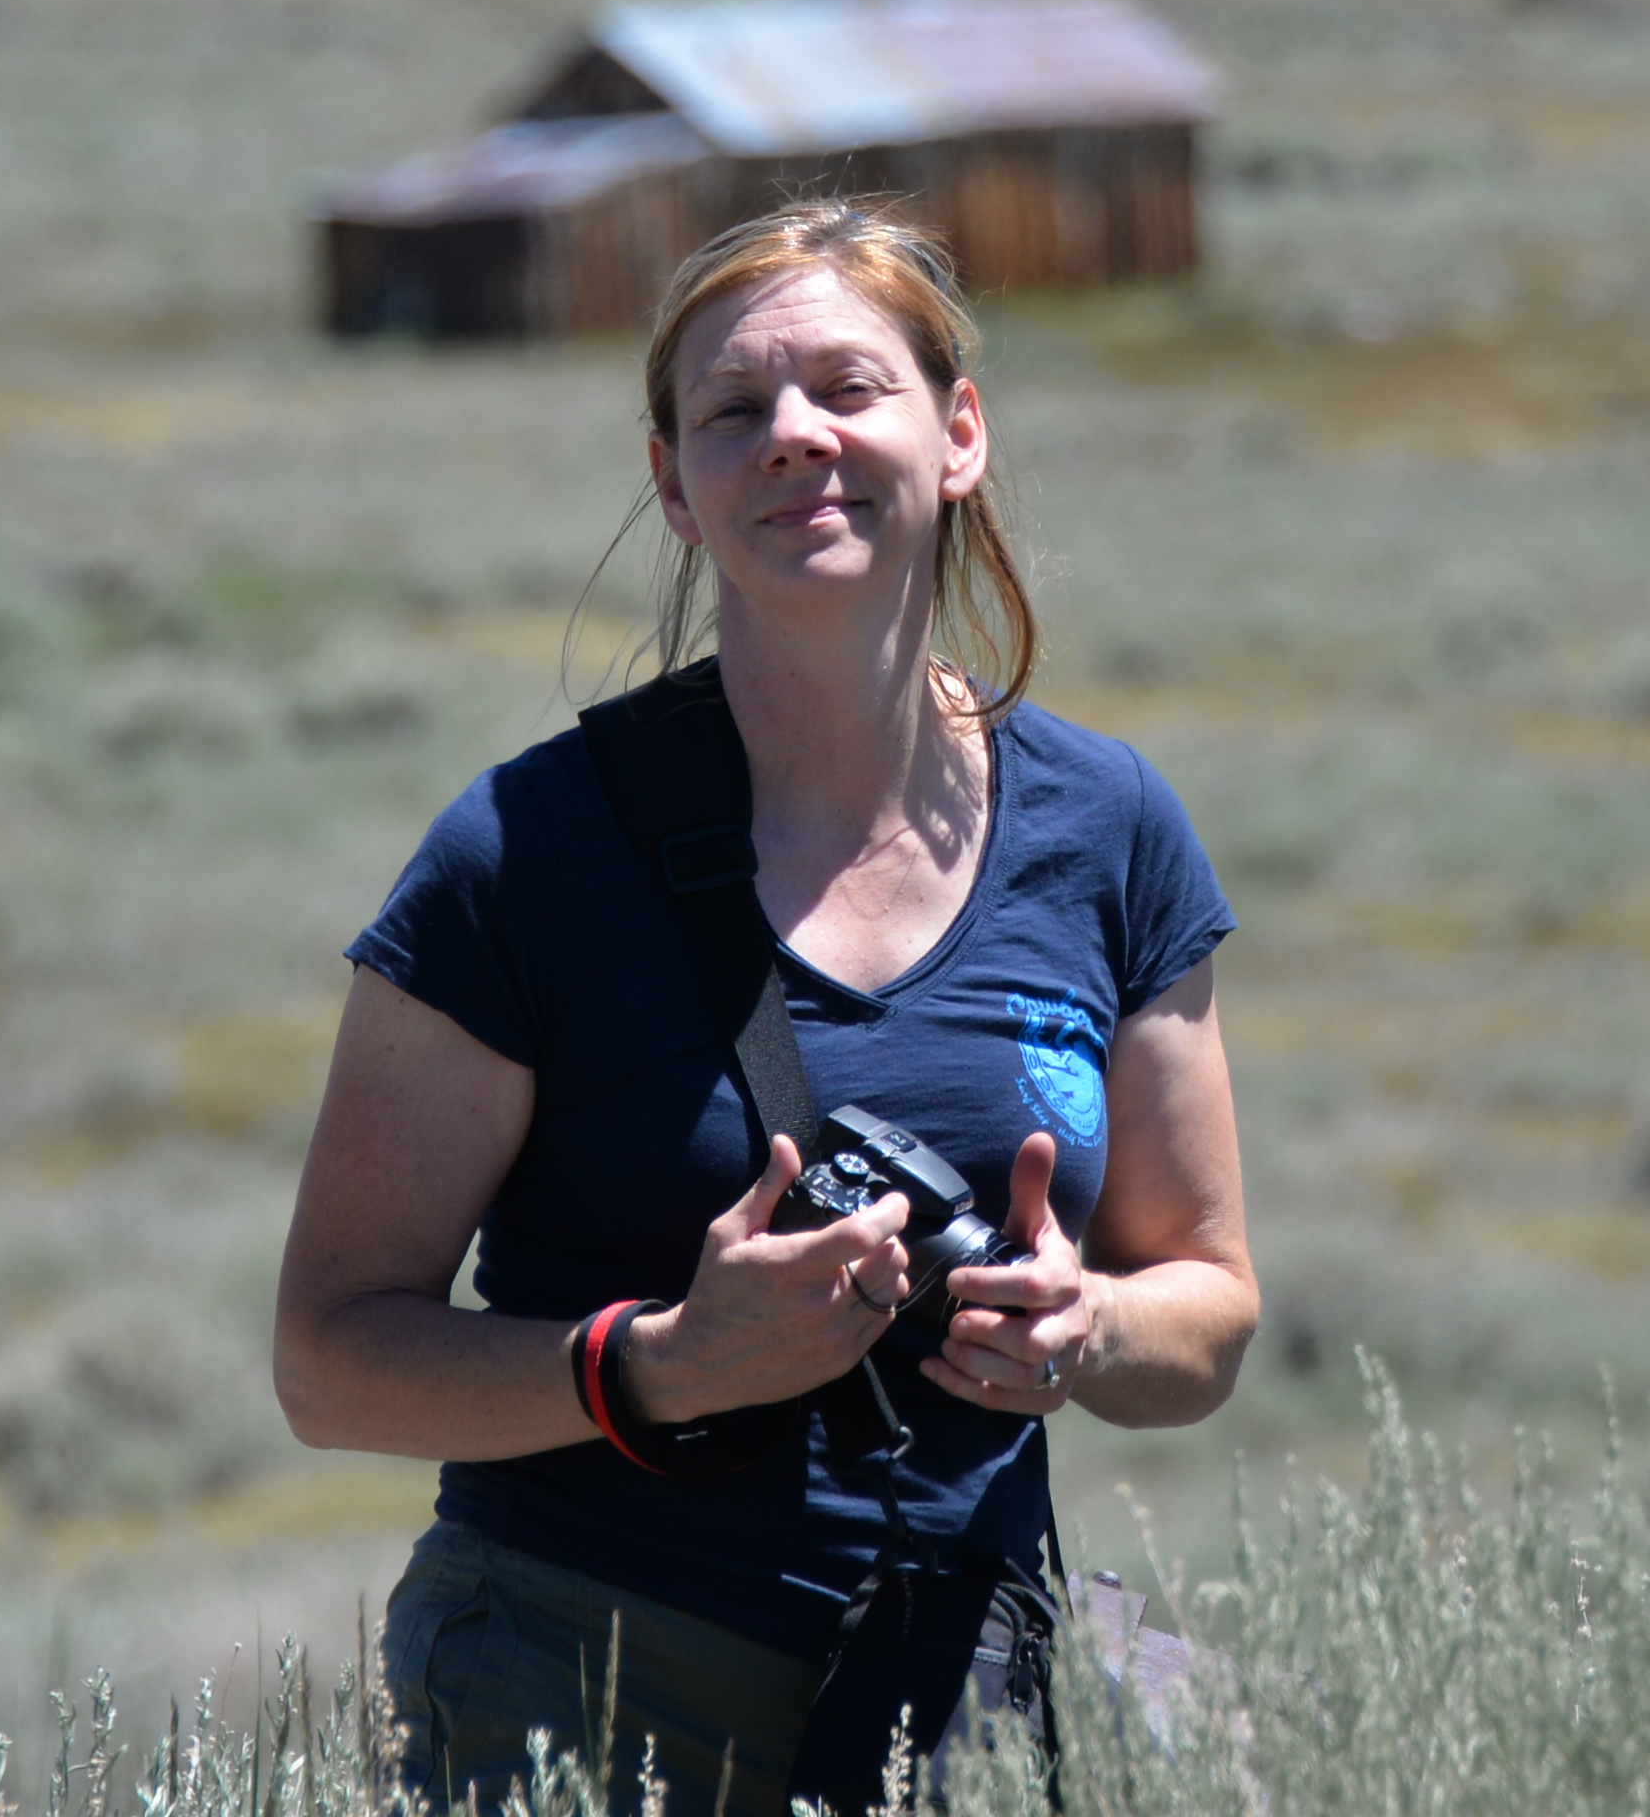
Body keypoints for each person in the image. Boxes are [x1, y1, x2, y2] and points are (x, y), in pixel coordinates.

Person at [272, 198, 1258, 1817]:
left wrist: (1083, 1331)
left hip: (957, 1709)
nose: (795, 436)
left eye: (849, 392)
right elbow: (329, 1362)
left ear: (958, 437)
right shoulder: (525, 856)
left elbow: (1208, 1310)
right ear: (675, 484)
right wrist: (657, 1364)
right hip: (583, 1695)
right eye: (735, 412)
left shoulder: (1108, 830)